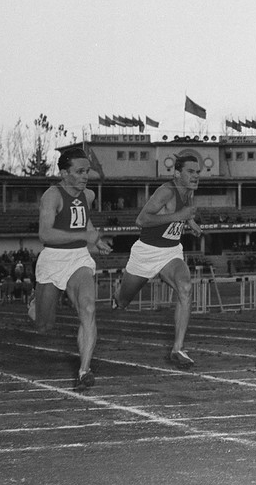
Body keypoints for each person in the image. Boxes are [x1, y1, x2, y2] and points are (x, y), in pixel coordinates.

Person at [32, 148, 111, 390]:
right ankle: (34, 306)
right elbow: (45, 234)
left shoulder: (88, 195)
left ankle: (84, 370)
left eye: (87, 171)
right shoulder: (52, 196)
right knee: (43, 325)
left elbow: (84, 221)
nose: (85, 176)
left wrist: (95, 241)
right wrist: (84, 234)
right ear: (65, 173)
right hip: (53, 260)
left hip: (79, 258)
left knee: (88, 308)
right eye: (79, 171)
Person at [112, 154, 202, 368]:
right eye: (191, 172)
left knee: (186, 287)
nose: (196, 176)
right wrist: (179, 216)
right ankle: (119, 290)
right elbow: (141, 220)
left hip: (171, 252)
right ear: (177, 173)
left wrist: (192, 224)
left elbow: (183, 213)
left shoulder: (188, 190)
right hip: (147, 252)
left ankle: (177, 349)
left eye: (198, 172)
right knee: (123, 301)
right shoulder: (166, 191)